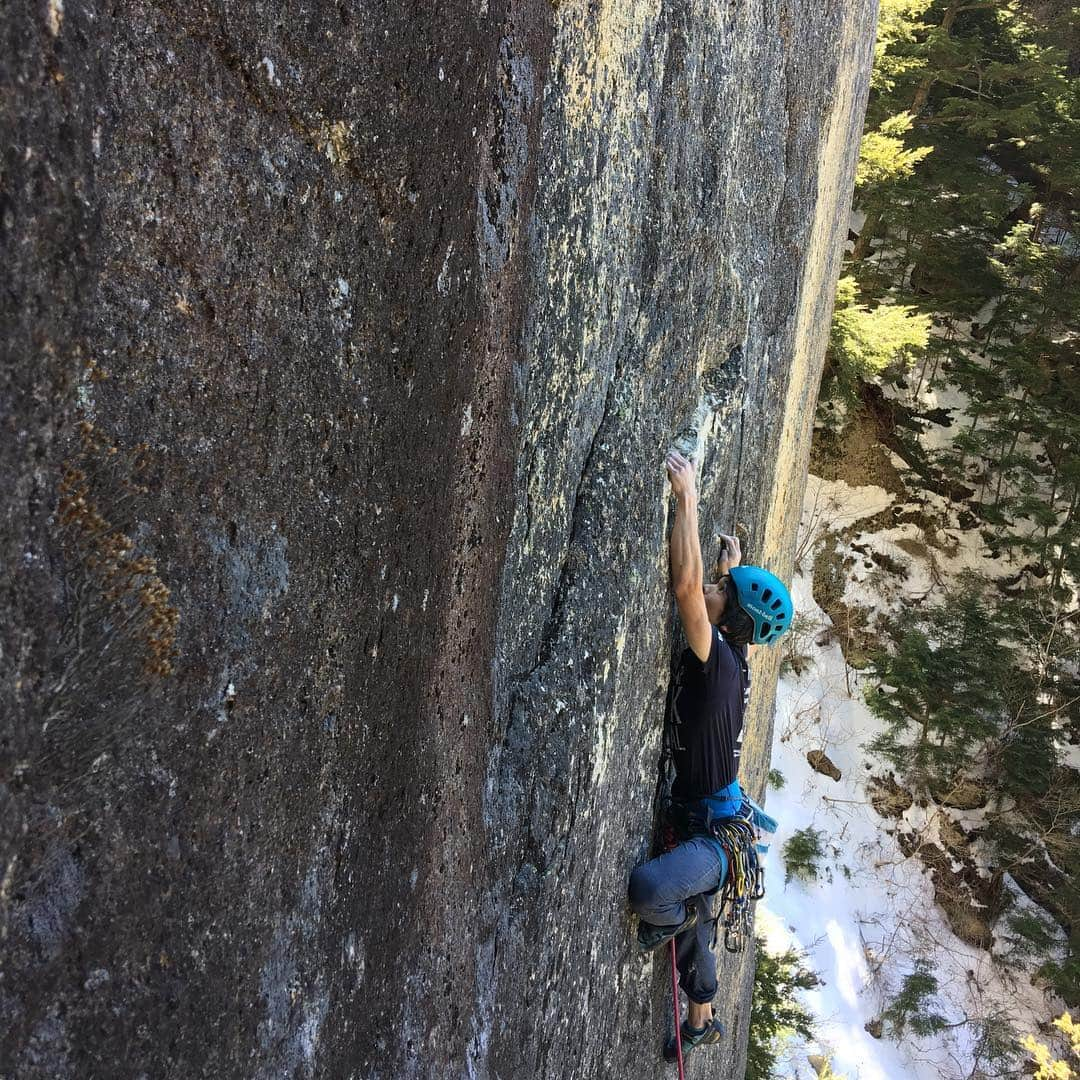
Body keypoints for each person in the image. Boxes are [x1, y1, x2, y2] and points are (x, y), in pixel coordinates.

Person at [627, 449, 793, 1060]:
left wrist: (687, 500)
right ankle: (703, 1018)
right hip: (719, 823)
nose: (716, 587)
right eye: (724, 580)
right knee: (693, 909)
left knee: (654, 892)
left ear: (730, 618)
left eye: (727, 588)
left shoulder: (717, 661)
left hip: (714, 839)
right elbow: (713, 596)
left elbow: (684, 587)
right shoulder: (735, 656)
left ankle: (682, 914)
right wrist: (735, 564)